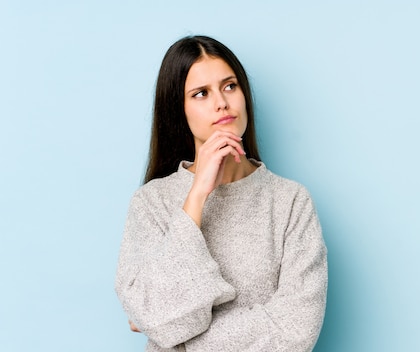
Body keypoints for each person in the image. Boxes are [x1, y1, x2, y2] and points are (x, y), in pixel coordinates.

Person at [115, 35, 328, 352]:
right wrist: (197, 194)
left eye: (230, 86)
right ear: (179, 110)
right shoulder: (151, 203)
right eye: (201, 94)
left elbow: (295, 331)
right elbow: (152, 312)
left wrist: (175, 332)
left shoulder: (291, 202)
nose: (221, 103)